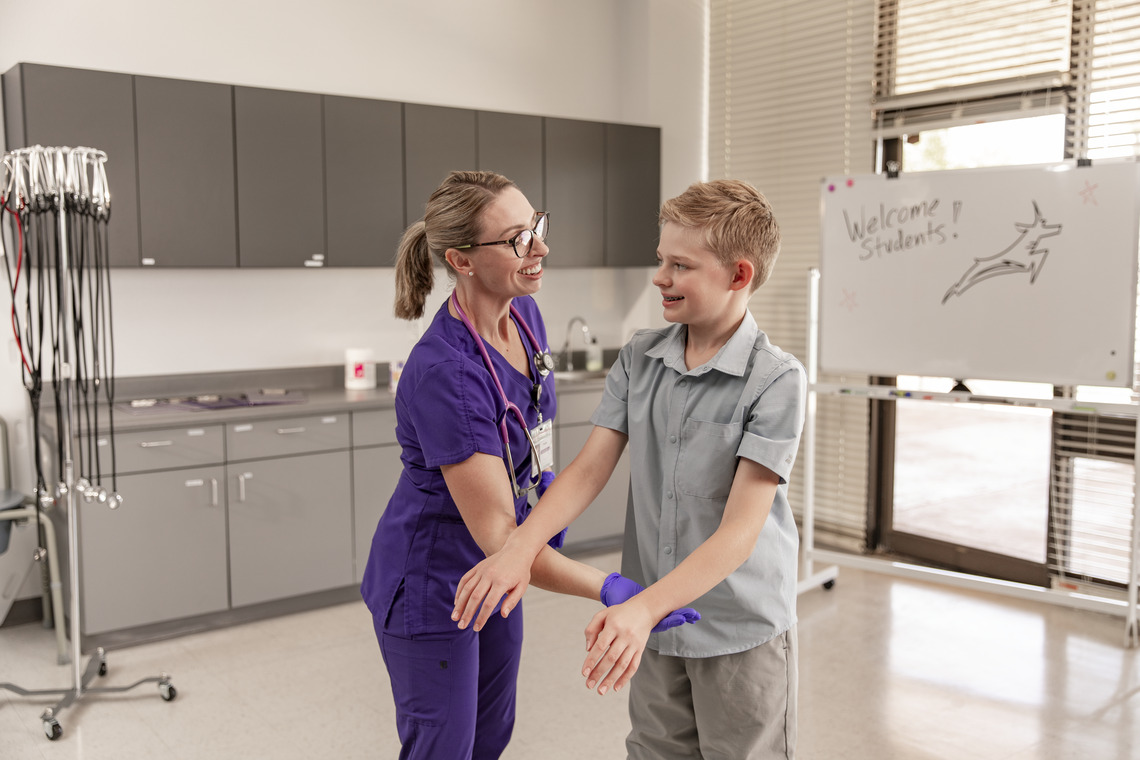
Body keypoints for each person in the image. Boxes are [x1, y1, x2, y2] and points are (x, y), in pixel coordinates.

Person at [453, 179, 807, 759]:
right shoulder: (641, 358)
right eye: (660, 259)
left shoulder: (775, 380)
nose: (659, 276)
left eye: (680, 265)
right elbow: (589, 470)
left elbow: (740, 534)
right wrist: (520, 548)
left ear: (739, 276)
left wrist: (642, 609)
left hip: (738, 630)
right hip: (653, 624)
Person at [359, 170, 697, 760]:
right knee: (445, 749)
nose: (540, 248)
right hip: (436, 582)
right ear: (462, 260)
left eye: (537, 226)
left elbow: (530, 433)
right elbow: (499, 542)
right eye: (517, 239)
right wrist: (611, 588)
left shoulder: (524, 317)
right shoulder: (447, 374)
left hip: (502, 579)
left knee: (490, 736)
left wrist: (543, 504)